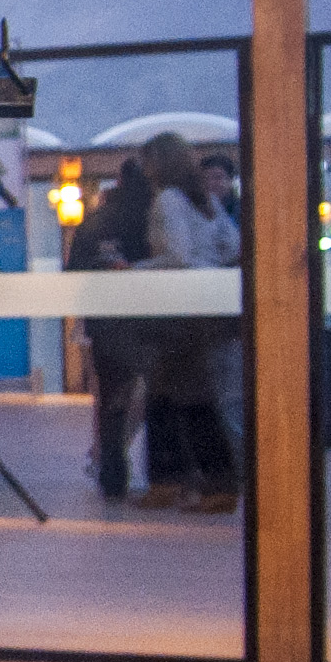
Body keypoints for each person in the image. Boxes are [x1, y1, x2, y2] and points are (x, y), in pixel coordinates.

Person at [136, 132, 241, 513]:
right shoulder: (208, 201)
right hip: (208, 308)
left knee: (180, 397)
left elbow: (176, 255)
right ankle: (183, 480)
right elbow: (234, 247)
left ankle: (205, 482)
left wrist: (134, 268)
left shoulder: (167, 200)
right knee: (177, 394)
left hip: (180, 311)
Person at [68, 157, 154, 501]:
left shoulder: (95, 222)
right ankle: (163, 476)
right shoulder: (152, 217)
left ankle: (112, 473)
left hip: (106, 323)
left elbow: (74, 271)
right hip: (150, 320)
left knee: (111, 400)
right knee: (159, 394)